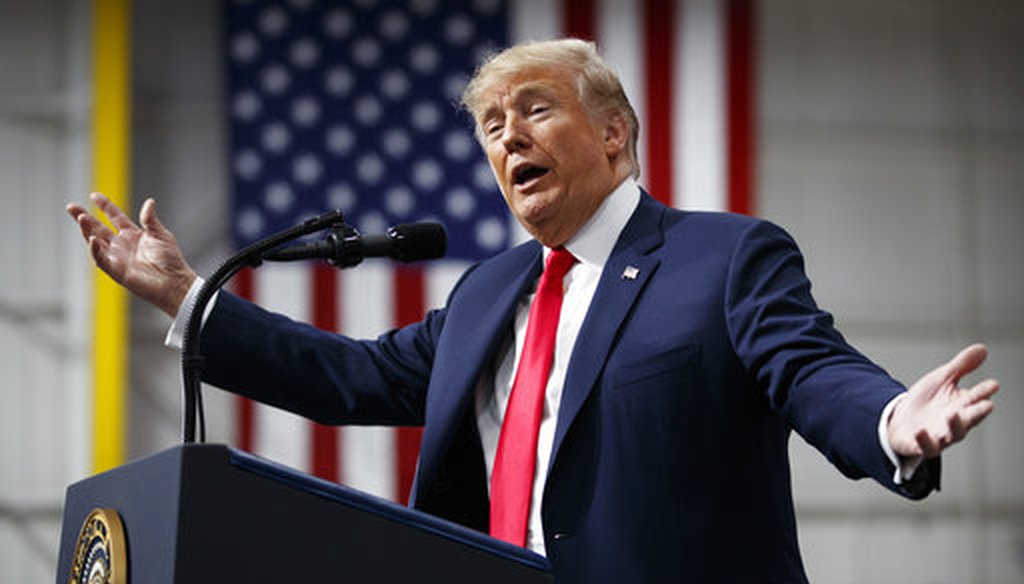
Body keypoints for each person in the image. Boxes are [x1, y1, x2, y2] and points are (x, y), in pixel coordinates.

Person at [67, 39, 998, 583]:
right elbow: (353, 378)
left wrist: (889, 419)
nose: (507, 134)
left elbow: (809, 369)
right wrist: (189, 298)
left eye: (535, 109)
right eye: (491, 125)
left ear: (613, 133)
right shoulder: (486, 293)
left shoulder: (724, 258)